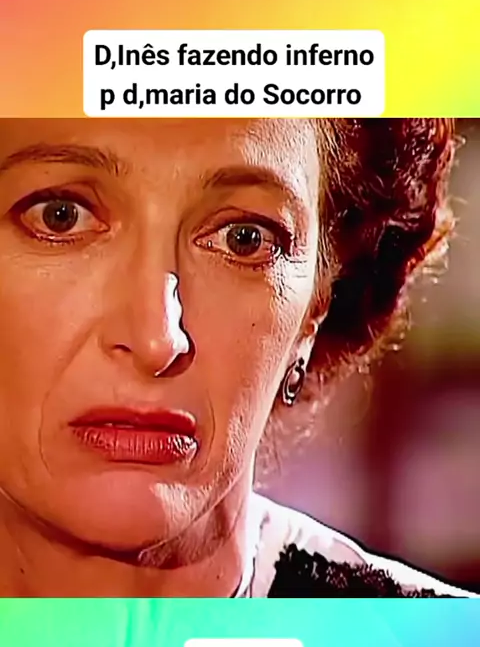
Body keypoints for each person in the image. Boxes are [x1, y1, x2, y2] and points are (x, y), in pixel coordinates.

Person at [0, 117, 471, 597]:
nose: (157, 340)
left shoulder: (443, 646)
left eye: (244, 237)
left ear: (317, 306)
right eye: (60, 216)